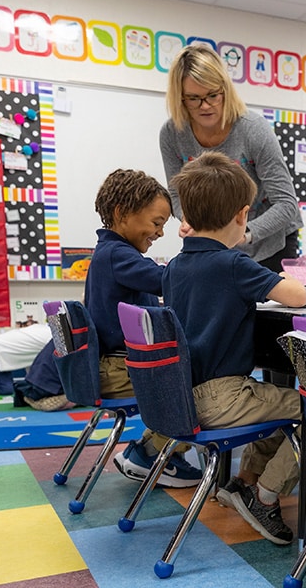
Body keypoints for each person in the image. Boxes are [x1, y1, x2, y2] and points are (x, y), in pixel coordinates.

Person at [163, 151, 306, 545]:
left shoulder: (174, 267)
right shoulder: (233, 264)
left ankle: (243, 482)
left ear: (186, 216)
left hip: (183, 396)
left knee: (276, 401)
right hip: (225, 397)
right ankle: (265, 495)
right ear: (243, 216)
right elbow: (295, 295)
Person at [83, 170, 202, 488]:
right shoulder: (118, 255)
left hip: (113, 365)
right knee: (199, 387)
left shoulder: (111, 254)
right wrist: (201, 263)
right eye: (157, 223)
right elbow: (164, 278)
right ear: (122, 214)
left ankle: (149, 451)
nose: (161, 232)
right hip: (118, 368)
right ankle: (154, 455)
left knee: (184, 376)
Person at [160, 44, 302, 273]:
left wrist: (240, 235)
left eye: (213, 95)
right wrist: (189, 221)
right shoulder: (171, 135)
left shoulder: (253, 130)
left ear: (225, 89)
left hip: (269, 247)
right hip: (214, 246)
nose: (205, 106)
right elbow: (177, 193)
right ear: (180, 98)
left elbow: (287, 206)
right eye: (194, 98)